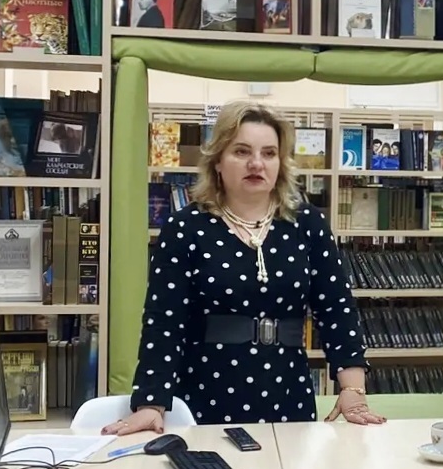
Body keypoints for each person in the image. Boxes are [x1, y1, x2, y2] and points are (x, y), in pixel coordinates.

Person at [104, 100, 385, 435]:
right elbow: (164, 322)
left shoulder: (307, 223)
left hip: (288, 395)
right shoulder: (185, 228)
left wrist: (353, 391)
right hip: (204, 397)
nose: (256, 163)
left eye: (269, 153)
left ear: (281, 163)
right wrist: (151, 404)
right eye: (241, 151)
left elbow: (337, 309)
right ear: (218, 160)